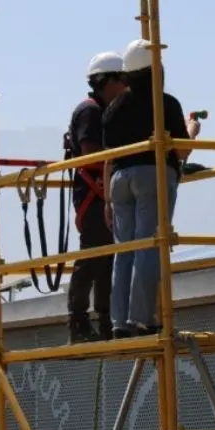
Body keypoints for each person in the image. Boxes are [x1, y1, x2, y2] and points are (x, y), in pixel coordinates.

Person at [101, 38, 201, 339]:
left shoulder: (113, 108)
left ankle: (119, 321)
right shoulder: (164, 103)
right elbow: (182, 151)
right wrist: (192, 131)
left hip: (119, 180)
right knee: (149, 245)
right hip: (151, 176)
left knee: (124, 250)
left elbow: (109, 157)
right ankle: (141, 318)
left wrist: (107, 200)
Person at [65, 51, 128, 344]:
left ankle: (106, 320)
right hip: (94, 196)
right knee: (92, 257)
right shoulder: (90, 112)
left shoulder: (107, 111)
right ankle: (78, 320)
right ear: (106, 81)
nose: (126, 86)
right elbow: (91, 154)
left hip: (106, 195)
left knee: (107, 261)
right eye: (122, 80)